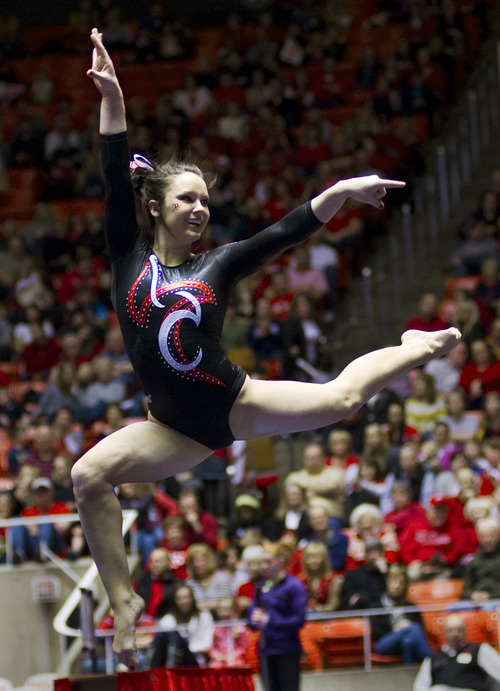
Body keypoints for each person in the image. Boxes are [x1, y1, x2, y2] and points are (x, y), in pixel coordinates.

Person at [71, 28, 462, 669]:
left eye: (205, 199)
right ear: (156, 207)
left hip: (232, 403)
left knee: (343, 397)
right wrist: (112, 98)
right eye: (186, 199)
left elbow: (282, 234)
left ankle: (414, 348)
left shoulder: (219, 264)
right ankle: (126, 598)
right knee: (87, 476)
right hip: (170, 427)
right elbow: (115, 172)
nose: (199, 208)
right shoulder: (126, 255)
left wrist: (338, 193)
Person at [248, 541, 308, 691]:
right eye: (262, 562)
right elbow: (250, 617)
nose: (264, 566)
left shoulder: (294, 586)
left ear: (280, 561)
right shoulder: (262, 587)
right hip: (266, 649)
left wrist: (271, 621)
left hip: (287, 649)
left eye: (268, 562)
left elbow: (299, 620)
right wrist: (253, 619)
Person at [413, 613, 500, 691]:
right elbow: (420, 686)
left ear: (465, 631)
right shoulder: (432, 659)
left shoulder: (479, 650)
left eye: (459, 629)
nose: (455, 634)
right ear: (444, 632)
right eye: (450, 630)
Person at [371, 564, 431, 665]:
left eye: (401, 583)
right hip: (384, 643)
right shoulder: (377, 606)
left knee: (407, 642)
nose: (397, 586)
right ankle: (430, 658)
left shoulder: (411, 606)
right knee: (413, 627)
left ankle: (408, 675)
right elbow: (377, 632)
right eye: (393, 582)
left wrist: (405, 628)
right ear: (387, 583)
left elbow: (422, 629)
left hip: (405, 643)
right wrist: (398, 629)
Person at [149, 583, 214, 668]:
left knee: (172, 634)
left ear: (192, 598)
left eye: (186, 598)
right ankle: (150, 670)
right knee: (162, 634)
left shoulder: (204, 616)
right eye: (179, 599)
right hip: (169, 656)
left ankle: (169, 667)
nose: (183, 602)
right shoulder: (168, 618)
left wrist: (185, 647)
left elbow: (207, 643)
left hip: (194, 657)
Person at [461, 516, 500, 603]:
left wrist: (490, 595)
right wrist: (472, 594)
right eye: (483, 536)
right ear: (478, 537)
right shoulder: (473, 561)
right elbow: (466, 590)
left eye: (491, 535)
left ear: (498, 536)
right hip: (477, 601)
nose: (487, 540)